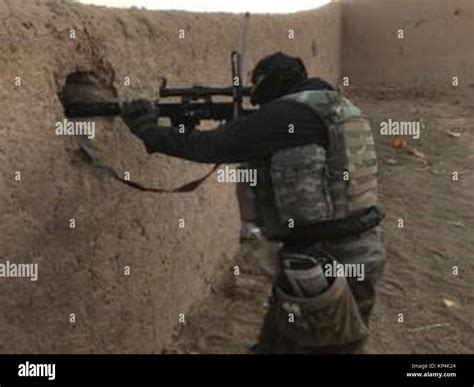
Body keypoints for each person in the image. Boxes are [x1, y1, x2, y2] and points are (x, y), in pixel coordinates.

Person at [121, 52, 385, 354]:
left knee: (322, 347)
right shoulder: (337, 107)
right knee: (290, 341)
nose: (256, 100)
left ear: (274, 81)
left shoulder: (290, 114)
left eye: (257, 87)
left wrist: (146, 128)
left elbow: (209, 146)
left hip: (327, 260)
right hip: (355, 250)